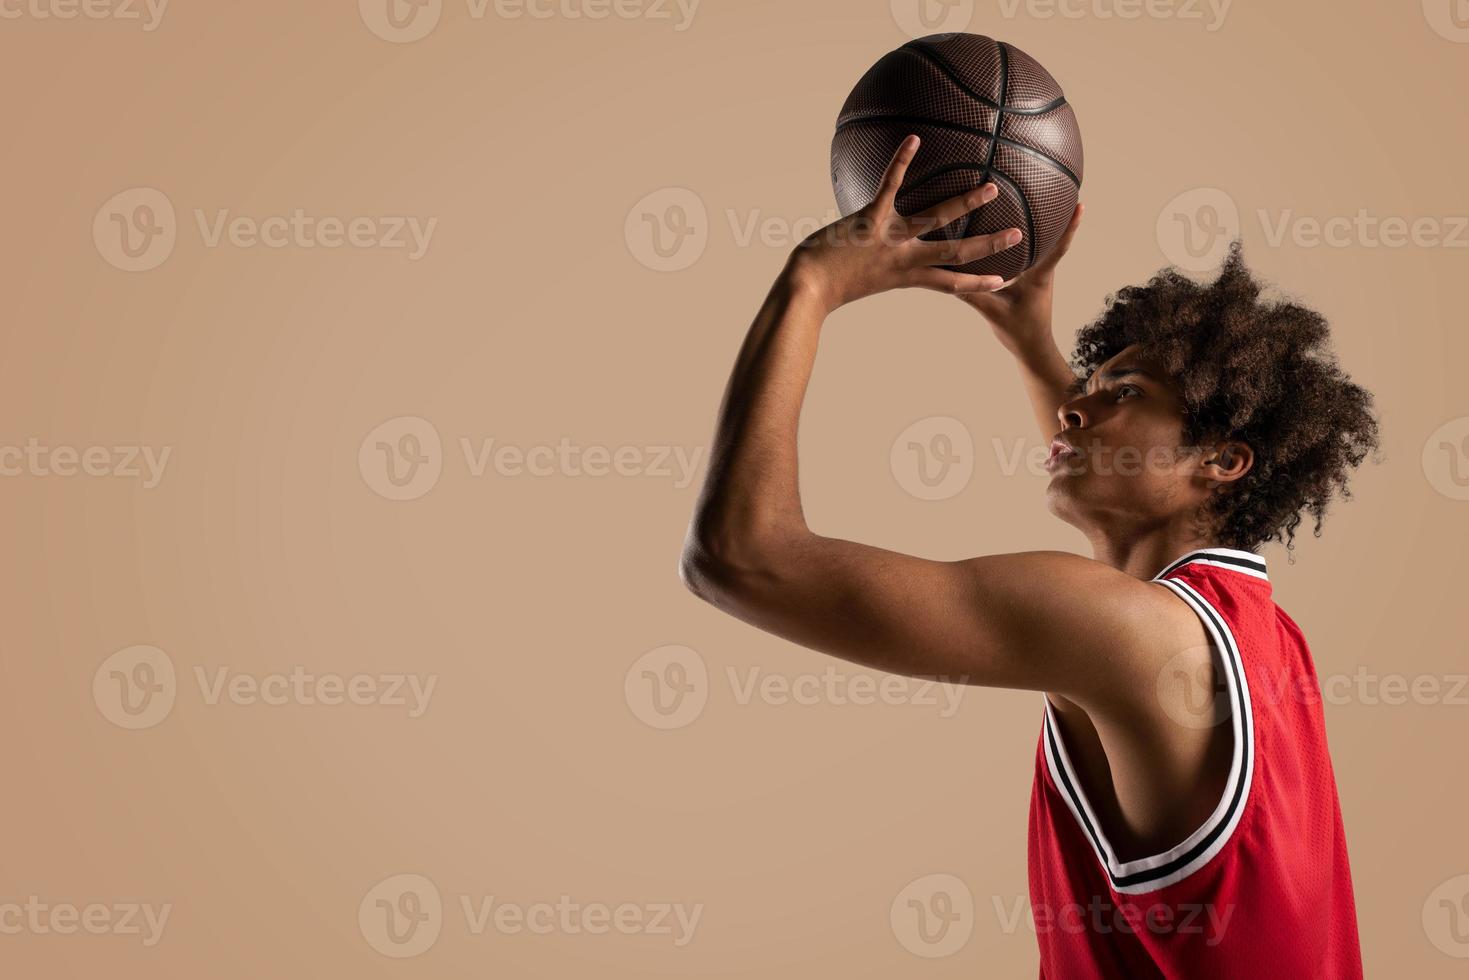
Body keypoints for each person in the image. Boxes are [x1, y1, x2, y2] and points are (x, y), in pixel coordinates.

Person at [679, 135, 1376, 977]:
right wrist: (1031, 345)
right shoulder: (1262, 639)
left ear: (1222, 461)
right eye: (1085, 392)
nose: (1073, 412)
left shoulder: (1130, 634)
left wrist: (811, 284)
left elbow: (740, 559)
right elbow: (1131, 517)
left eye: (1122, 395)